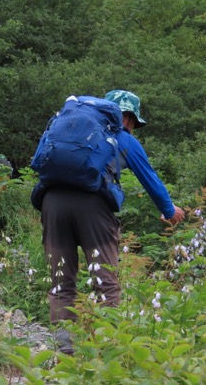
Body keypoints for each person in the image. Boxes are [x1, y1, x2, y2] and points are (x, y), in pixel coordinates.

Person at [38, 89, 185, 353]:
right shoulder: (123, 138)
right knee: (104, 278)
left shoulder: (66, 126)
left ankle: (65, 350)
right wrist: (169, 210)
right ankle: (108, 349)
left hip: (52, 203)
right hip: (92, 206)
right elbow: (149, 178)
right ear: (126, 117)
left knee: (61, 277)